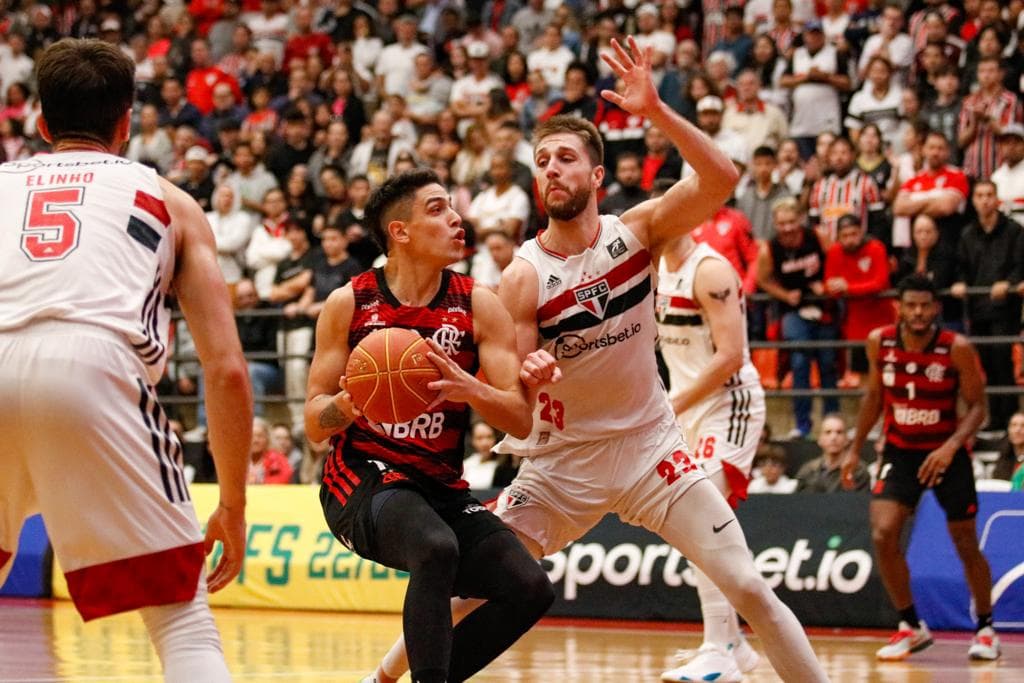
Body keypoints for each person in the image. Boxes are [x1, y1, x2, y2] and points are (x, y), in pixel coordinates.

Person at [370, 37, 828, 683]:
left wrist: (659, 113)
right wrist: (525, 376)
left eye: (565, 158)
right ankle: (380, 680)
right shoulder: (523, 275)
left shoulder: (637, 231)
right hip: (561, 464)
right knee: (467, 590)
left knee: (749, 584)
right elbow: (518, 405)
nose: (551, 169)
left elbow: (723, 178)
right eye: (541, 161)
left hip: (651, 448)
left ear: (596, 177)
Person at [0, 39, 252, 681]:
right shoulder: (169, 198)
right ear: (127, 122)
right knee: (182, 619)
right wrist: (232, 502)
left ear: (41, 122)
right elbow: (224, 369)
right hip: (96, 367)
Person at [305, 169, 554, 683]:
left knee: (530, 588)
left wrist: (472, 389)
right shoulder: (349, 303)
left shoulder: (478, 304)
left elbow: (519, 419)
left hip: (438, 486)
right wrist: (349, 405)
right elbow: (313, 422)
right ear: (400, 232)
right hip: (361, 478)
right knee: (435, 548)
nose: (457, 218)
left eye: (453, 206)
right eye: (438, 209)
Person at [841, 274, 1000, 662]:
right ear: (899, 307)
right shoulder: (880, 342)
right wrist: (854, 448)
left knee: (965, 541)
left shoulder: (955, 348)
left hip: (947, 452)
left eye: (925, 305)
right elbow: (874, 396)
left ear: (936, 308)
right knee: (882, 533)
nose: (918, 312)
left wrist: (950, 447)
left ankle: (985, 628)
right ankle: (910, 626)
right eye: (910, 304)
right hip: (899, 451)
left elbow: (980, 408)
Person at [655, 235, 768, 680]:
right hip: (688, 408)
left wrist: (673, 405)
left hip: (729, 405)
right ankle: (733, 644)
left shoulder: (711, 270)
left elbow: (731, 356)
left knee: (703, 519)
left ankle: (719, 647)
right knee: (692, 527)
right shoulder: (655, 267)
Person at [796, 413, 868, 492]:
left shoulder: (858, 471)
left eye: (839, 432)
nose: (833, 437)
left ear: (847, 439)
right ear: (820, 439)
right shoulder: (808, 471)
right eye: (828, 432)